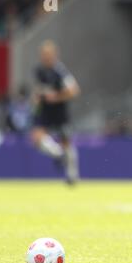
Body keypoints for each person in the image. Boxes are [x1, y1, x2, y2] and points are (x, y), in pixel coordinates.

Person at [30, 40, 80, 184]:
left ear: (54, 55)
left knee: (66, 141)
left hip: (59, 111)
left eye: (48, 55)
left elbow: (74, 90)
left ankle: (72, 176)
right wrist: (36, 98)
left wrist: (57, 97)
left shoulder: (60, 71)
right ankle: (59, 155)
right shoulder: (39, 71)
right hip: (45, 111)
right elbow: (40, 89)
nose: (45, 57)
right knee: (37, 138)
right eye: (43, 55)